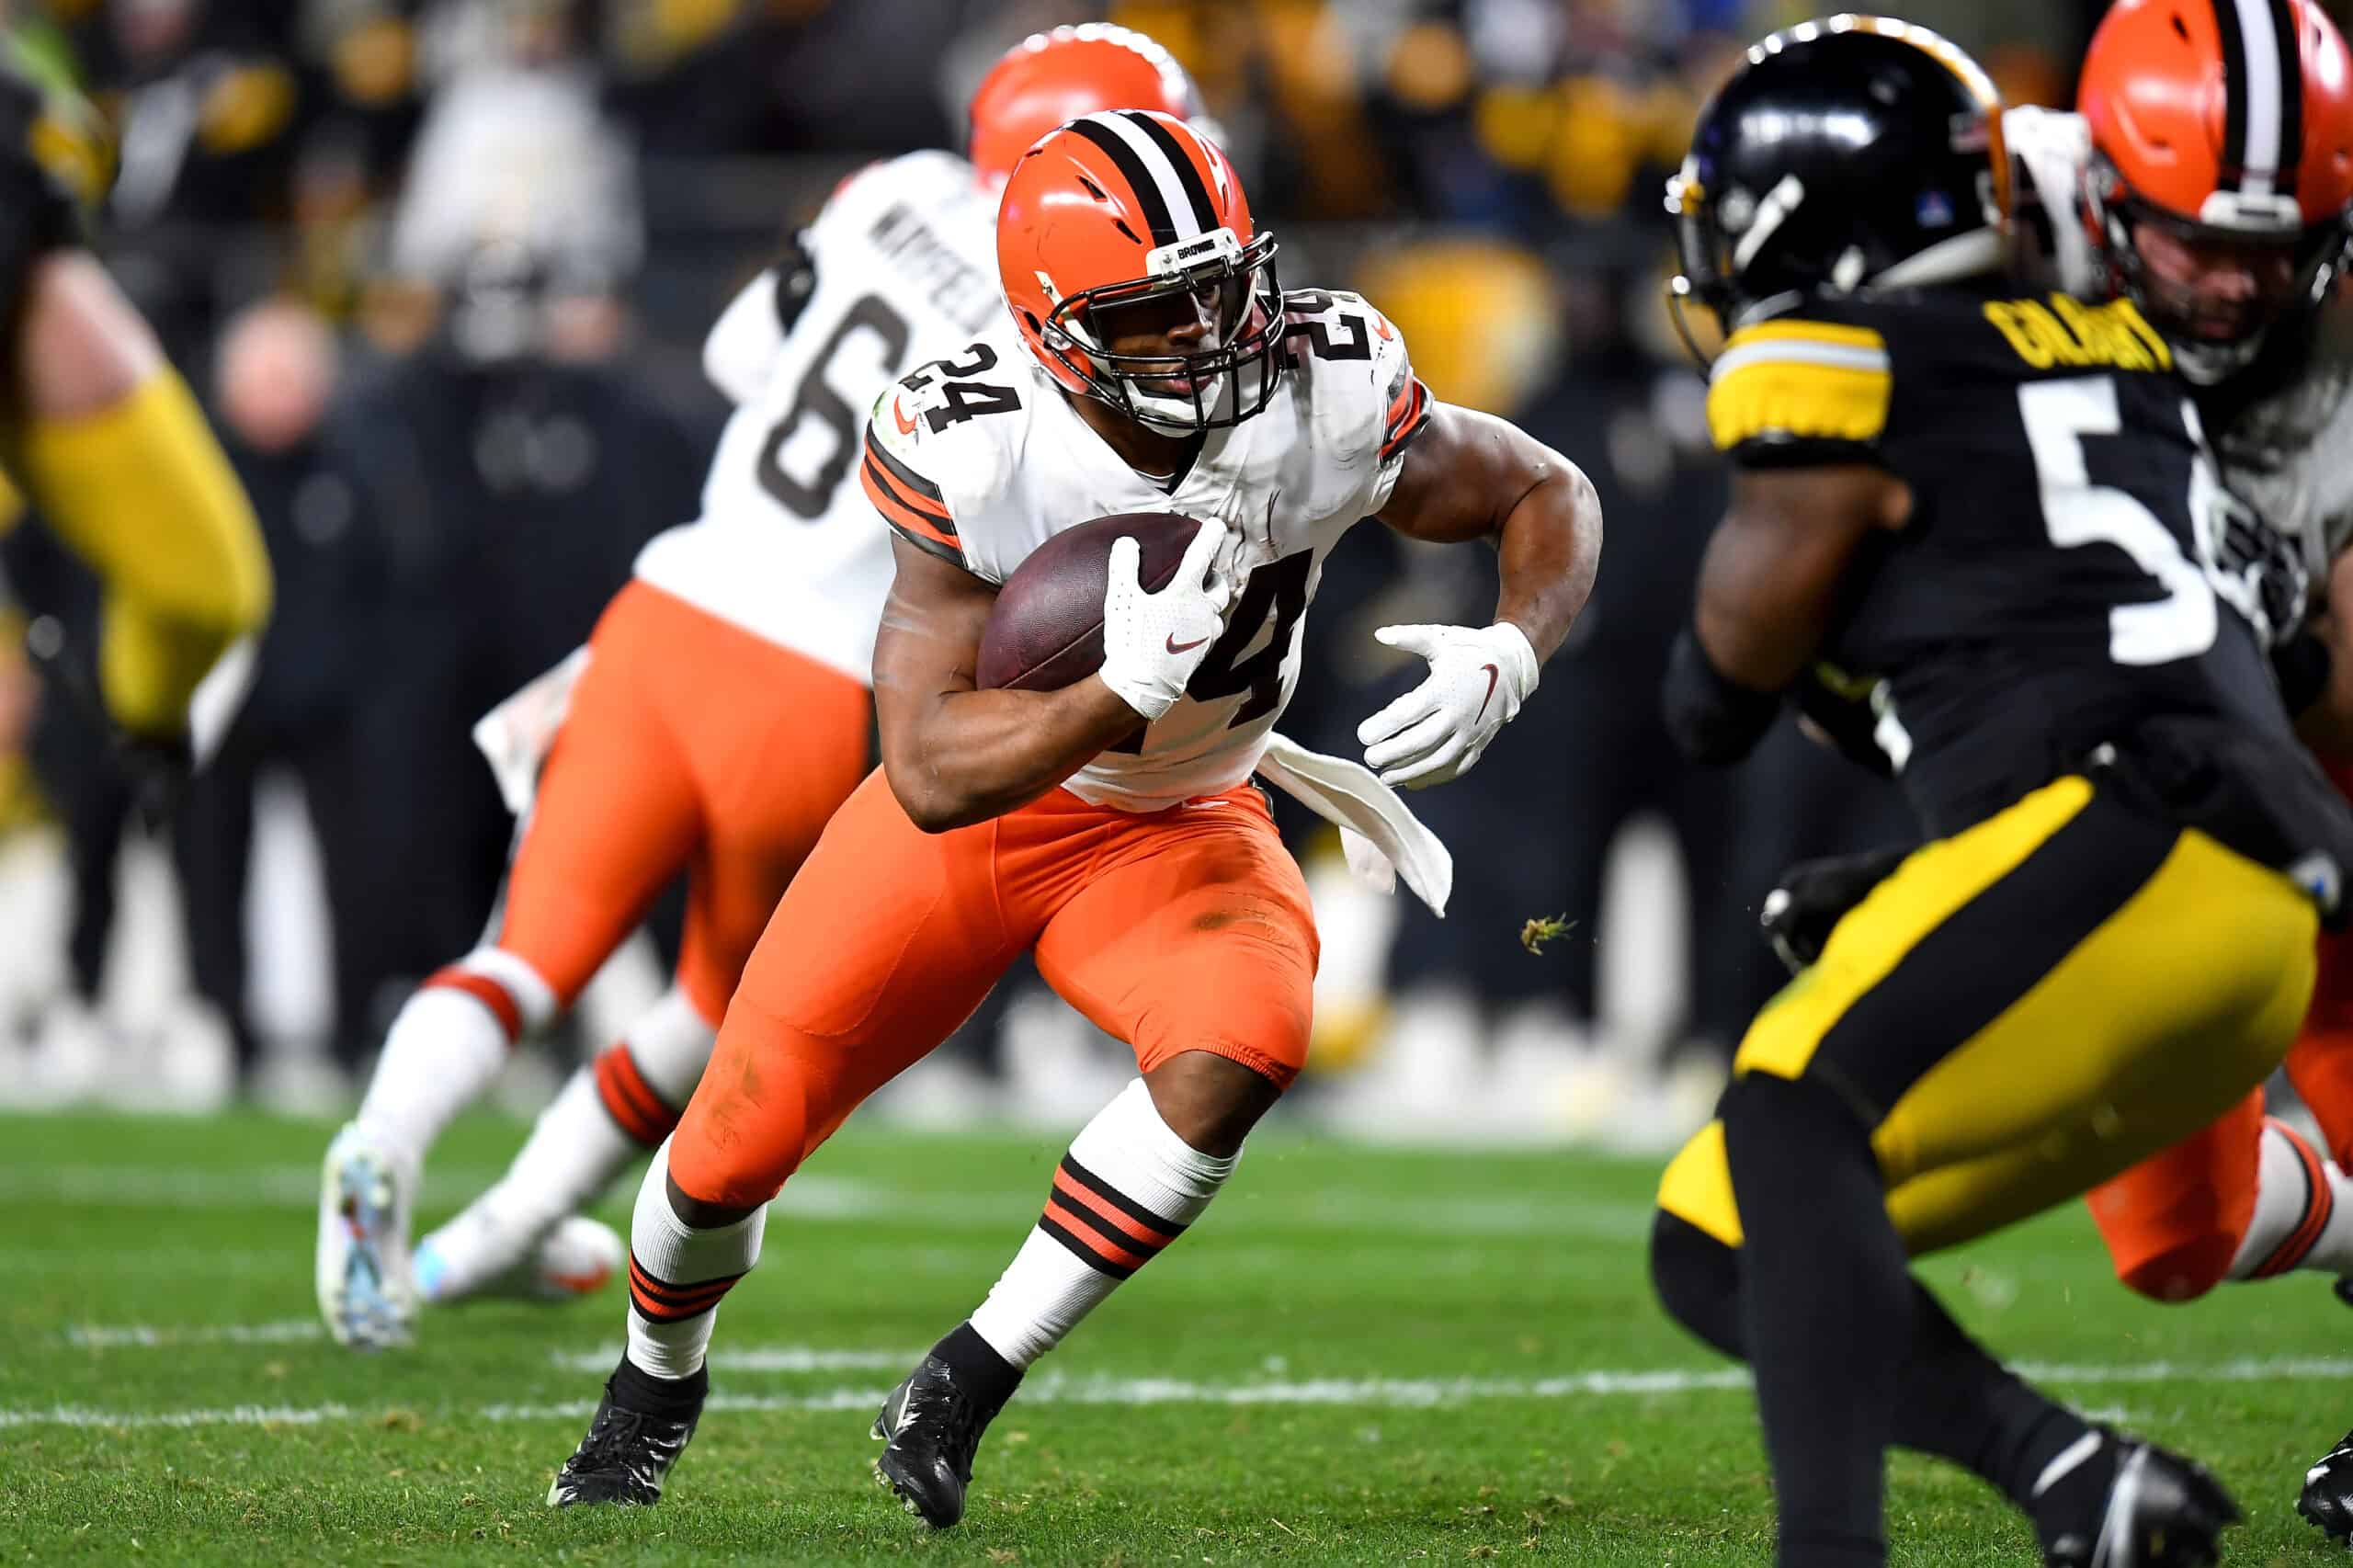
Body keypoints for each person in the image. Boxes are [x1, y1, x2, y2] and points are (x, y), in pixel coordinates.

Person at [544, 109, 1600, 1524]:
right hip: (985, 817)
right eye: (1163, 315)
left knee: (1248, 1034)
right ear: (1052, 329)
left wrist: (1514, 643)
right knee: (723, 1152)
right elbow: (925, 763)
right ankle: (651, 1383)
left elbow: (1546, 489)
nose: (1217, 336)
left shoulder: (1325, 385)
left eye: (1225, 288)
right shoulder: (975, 437)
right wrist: (1111, 691)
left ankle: (964, 1378)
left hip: (1188, 817)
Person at [313, 24, 1217, 1350]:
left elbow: (744, 356)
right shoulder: (1073, 314)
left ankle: (384, 1147)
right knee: (710, 1000)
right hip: (814, 680)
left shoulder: (887, 190)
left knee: (527, 951)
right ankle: (500, 1227)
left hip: (671, 601)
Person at [1643, 16, 2353, 1566]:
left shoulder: (1839, 354)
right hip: (2195, 837)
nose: (2234, 281)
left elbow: (1713, 698)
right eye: (2193, 238)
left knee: (1785, 1108)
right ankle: (2078, 1479)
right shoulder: (2061, 280)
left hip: (2174, 799)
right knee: (1719, 1239)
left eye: (2277, 248)